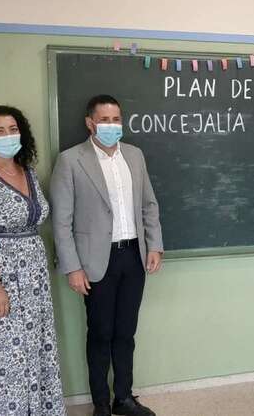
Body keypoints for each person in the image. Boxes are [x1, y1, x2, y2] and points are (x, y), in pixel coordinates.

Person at [50, 94, 163, 416]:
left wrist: (154, 245)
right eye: (105, 120)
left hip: (133, 256)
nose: (112, 126)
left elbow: (149, 205)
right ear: (90, 123)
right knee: (100, 333)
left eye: (116, 119)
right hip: (95, 261)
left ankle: (123, 398)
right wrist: (72, 267)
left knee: (126, 332)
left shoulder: (135, 156)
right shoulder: (71, 160)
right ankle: (101, 403)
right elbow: (62, 221)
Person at [0, 105, 65, 415]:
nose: (8, 135)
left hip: (33, 280)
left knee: (33, 346)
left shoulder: (27, 172)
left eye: (13, 129)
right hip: (0, 277)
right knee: (4, 353)